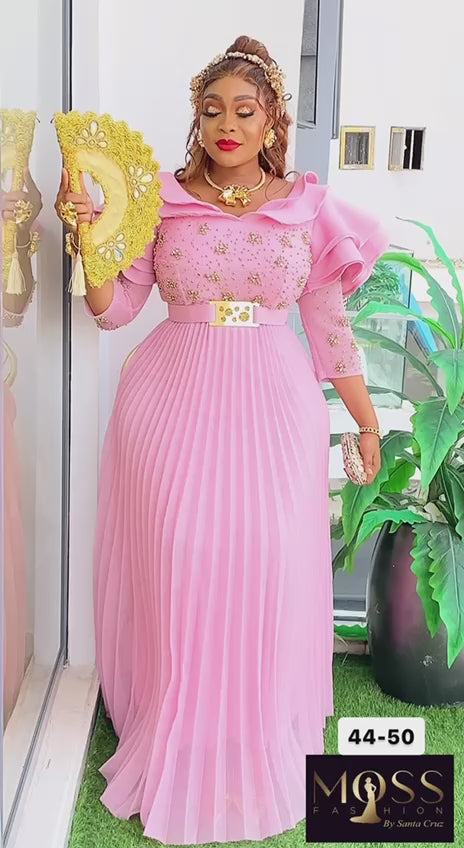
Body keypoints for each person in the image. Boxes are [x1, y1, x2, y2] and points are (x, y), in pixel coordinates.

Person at [55, 35, 388, 845]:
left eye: (245, 110)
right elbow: (113, 310)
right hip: (170, 398)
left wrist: (367, 418)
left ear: (272, 121)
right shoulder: (159, 201)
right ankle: (180, 727)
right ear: (197, 119)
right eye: (213, 111)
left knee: (266, 561)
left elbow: (328, 325)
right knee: (181, 558)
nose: (227, 125)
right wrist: (89, 242)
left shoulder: (305, 205)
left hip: (275, 400)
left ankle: (254, 729)